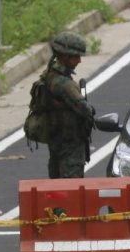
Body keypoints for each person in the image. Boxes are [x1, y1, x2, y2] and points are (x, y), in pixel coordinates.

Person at [40, 31, 95, 178]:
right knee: (72, 193)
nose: (79, 61)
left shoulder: (49, 75)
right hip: (70, 147)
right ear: (65, 56)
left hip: (57, 143)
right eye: (76, 56)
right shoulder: (65, 84)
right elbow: (85, 110)